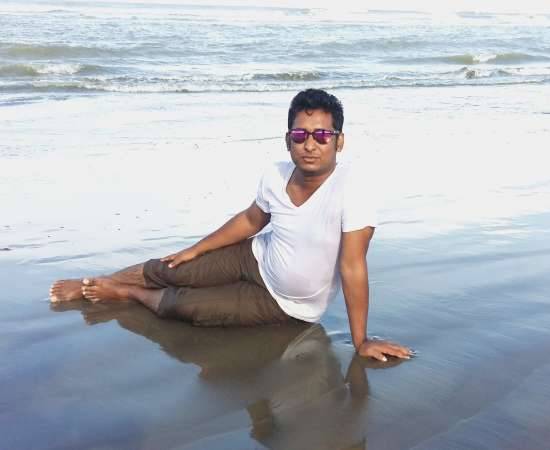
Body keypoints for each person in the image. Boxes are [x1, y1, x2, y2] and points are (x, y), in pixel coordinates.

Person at [49, 88, 414, 362]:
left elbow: (352, 266)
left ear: (339, 141)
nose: (310, 144)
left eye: (322, 135)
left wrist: (361, 340)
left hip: (285, 302)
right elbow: (252, 219)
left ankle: (124, 292)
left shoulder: (353, 190)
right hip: (253, 257)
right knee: (173, 267)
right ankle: (95, 282)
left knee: (188, 307)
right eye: (300, 135)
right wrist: (197, 249)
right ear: (288, 140)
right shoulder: (276, 174)